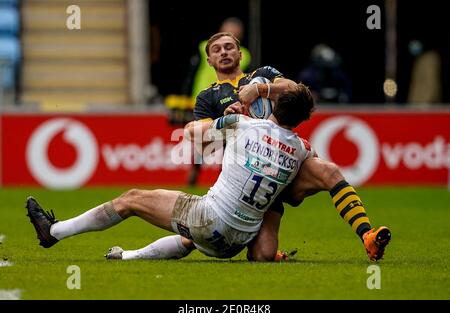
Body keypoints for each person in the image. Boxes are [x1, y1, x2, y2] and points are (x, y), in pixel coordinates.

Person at [113, 32, 391, 263]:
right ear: (209, 59)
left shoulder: (263, 75)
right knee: (262, 256)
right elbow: (202, 140)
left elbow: (297, 90)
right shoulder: (207, 97)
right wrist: (229, 121)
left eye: (229, 47)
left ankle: (367, 235)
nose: (224, 52)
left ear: (240, 53)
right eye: (217, 49)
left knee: (329, 171)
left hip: (284, 161)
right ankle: (160, 248)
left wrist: (261, 91)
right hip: (249, 178)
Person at [26, 84, 316, 261]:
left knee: (132, 199)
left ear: (276, 106)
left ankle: (54, 232)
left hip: (210, 219)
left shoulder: (243, 123)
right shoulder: (304, 149)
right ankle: (127, 256)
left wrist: (225, 120)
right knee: (191, 236)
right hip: (238, 241)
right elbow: (299, 193)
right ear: (302, 119)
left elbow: (191, 132)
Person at [183, 17, 252, 186]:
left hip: (230, 98)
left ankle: (226, 173)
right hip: (203, 96)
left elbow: (244, 77)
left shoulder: (245, 54)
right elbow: (192, 72)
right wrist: (185, 96)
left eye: (234, 35)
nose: (223, 52)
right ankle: (196, 168)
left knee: (227, 136)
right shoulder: (204, 48)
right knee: (204, 136)